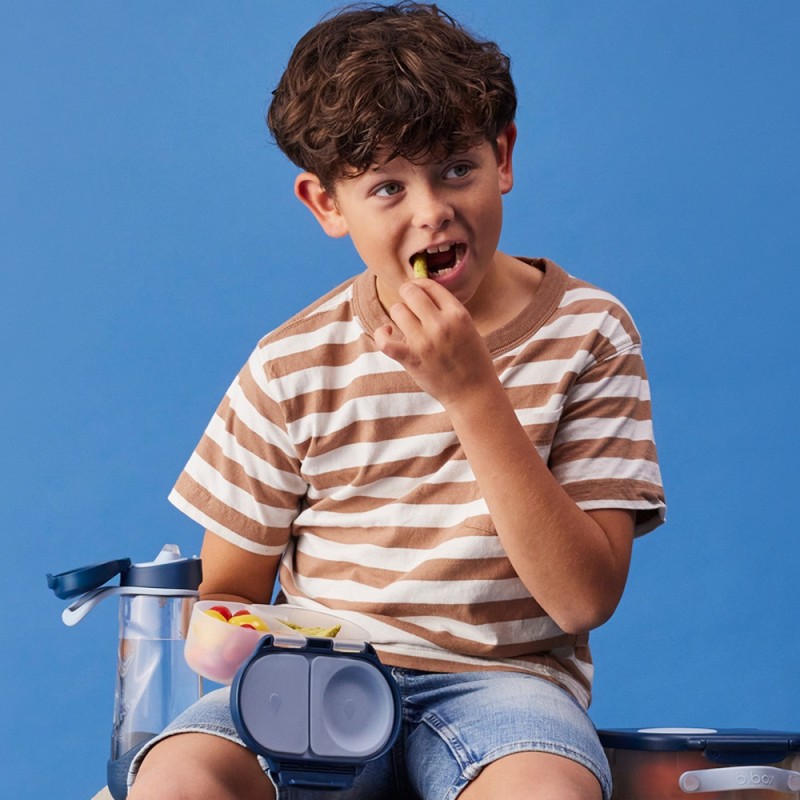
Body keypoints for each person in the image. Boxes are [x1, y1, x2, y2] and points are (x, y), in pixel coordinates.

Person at [128, 3, 665, 799]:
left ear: (503, 156)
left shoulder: (590, 333)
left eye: (456, 169)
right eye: (387, 186)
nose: (431, 210)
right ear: (326, 205)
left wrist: (471, 391)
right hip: (315, 677)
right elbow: (231, 590)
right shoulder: (291, 362)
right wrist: (233, 637)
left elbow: (583, 599)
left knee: (547, 790)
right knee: (180, 776)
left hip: (507, 685)